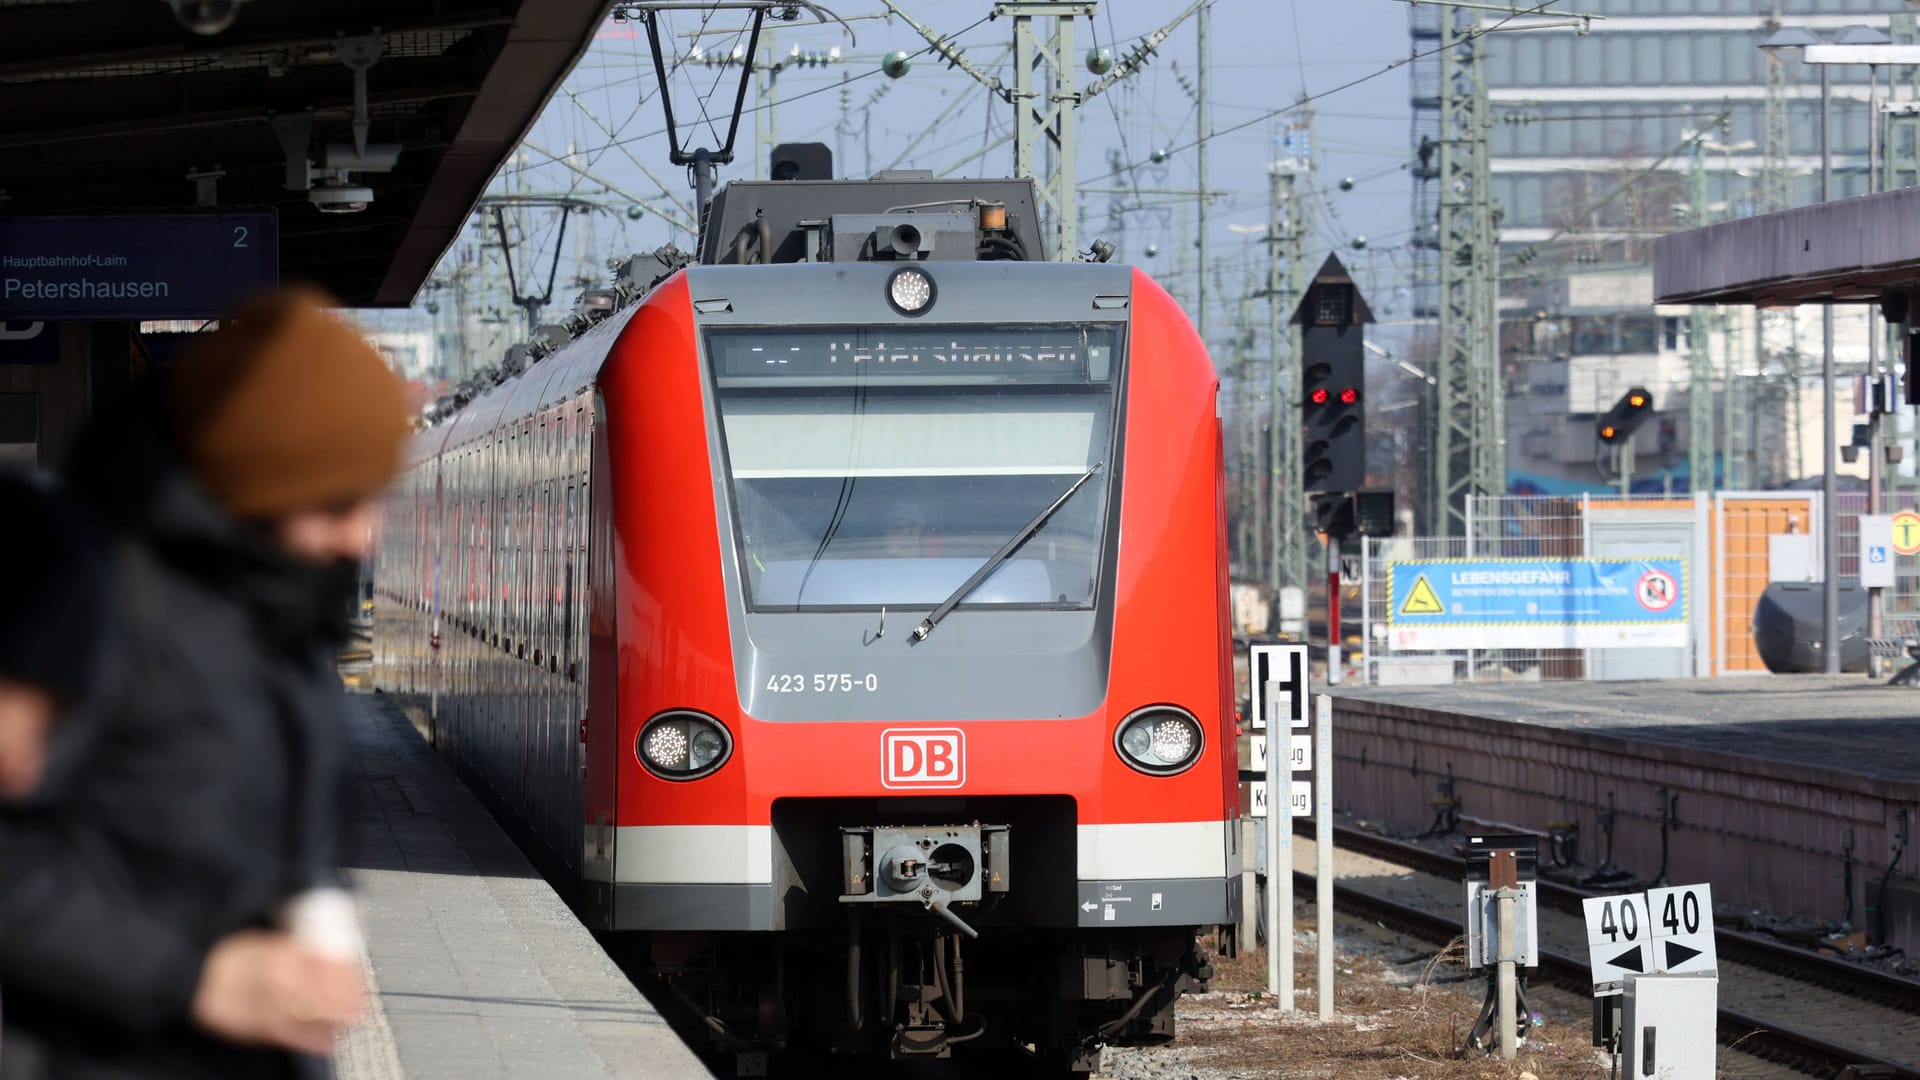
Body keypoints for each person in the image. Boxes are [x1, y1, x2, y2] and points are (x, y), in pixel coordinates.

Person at [0, 286, 413, 1079]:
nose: (362, 534)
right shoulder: (85, 601)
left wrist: (311, 898)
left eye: (372, 498)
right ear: (257, 481)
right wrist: (194, 980)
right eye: (335, 500)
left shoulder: (284, 609)